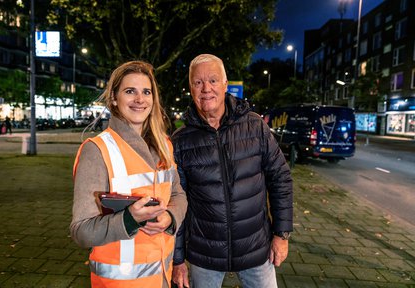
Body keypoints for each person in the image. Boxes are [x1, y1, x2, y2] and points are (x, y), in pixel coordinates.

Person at [171, 54, 293, 288]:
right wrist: (177, 261)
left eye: (213, 80)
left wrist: (282, 234)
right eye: (198, 82)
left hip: (257, 249)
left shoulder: (255, 126)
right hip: (204, 255)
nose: (206, 88)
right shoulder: (180, 142)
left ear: (226, 85)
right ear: (190, 88)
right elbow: (176, 202)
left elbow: (281, 179)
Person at [71, 60, 188, 287]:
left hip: (162, 277)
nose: (139, 99)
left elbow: (179, 196)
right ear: (114, 98)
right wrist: (129, 219)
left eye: (146, 92)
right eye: (129, 91)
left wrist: (170, 218)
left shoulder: (164, 144)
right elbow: (81, 232)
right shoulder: (96, 150)